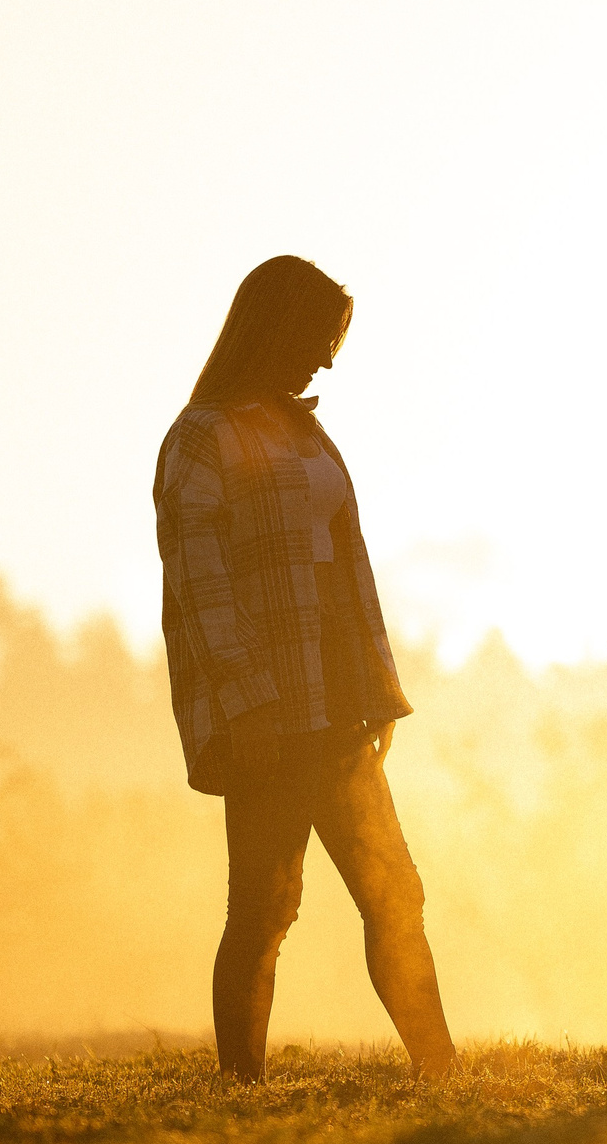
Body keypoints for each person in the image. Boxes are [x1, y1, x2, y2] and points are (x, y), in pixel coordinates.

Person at [153, 255, 458, 1081]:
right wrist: (247, 706)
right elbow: (201, 587)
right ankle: (240, 1083)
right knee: (264, 906)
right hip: (272, 714)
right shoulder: (202, 440)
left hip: (338, 706)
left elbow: (345, 569)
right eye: (318, 339)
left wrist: (379, 693)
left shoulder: (306, 431)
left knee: (395, 891)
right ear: (275, 330)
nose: (326, 360)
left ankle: (441, 1069)